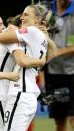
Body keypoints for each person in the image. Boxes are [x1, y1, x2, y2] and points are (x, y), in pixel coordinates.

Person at [0, 13, 45, 131]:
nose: (4, 27)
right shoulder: (11, 40)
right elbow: (22, 60)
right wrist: (41, 61)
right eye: (0, 24)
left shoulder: (12, 41)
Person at [0, 4, 50, 131]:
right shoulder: (43, 38)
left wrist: (10, 31)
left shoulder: (32, 31)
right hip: (28, 94)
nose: (22, 18)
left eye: (26, 14)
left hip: (20, 93)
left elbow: (0, 37)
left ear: (37, 19)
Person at [44, 0, 74, 131]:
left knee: (73, 118)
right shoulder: (47, 9)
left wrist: (55, 52)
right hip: (53, 74)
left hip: (72, 73)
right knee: (59, 120)